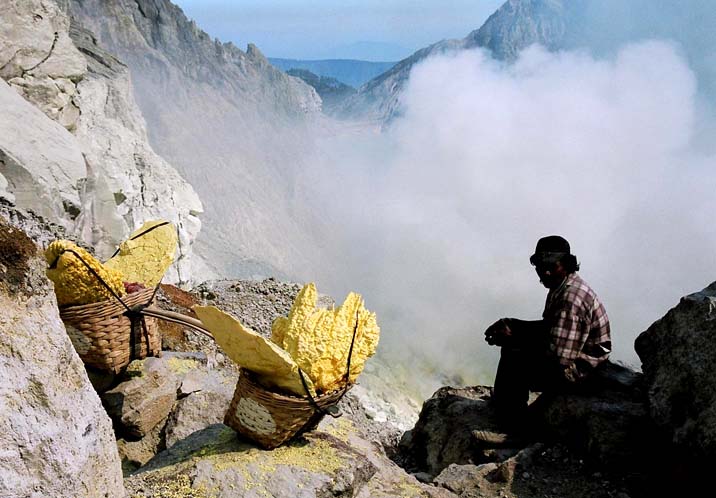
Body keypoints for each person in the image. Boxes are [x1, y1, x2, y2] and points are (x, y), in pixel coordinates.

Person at [480, 235, 611, 441]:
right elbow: (552, 328)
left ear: (566, 264)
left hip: (583, 369)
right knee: (514, 348)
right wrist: (513, 324)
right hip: (574, 355)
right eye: (541, 267)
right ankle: (508, 407)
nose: (545, 272)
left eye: (551, 266)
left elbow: (559, 359)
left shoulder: (570, 298)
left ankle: (514, 431)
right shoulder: (561, 285)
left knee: (515, 358)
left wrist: (514, 339)